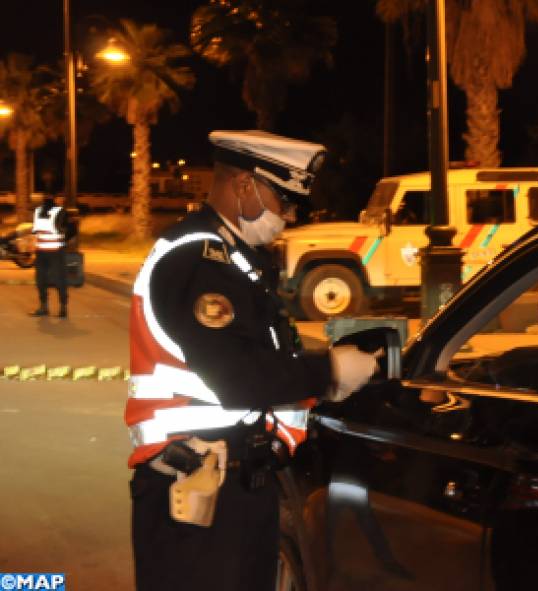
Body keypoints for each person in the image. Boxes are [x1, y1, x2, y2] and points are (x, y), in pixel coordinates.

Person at [125, 130, 379, 591]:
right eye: (284, 199)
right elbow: (238, 376)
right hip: (197, 493)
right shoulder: (198, 262)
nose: (290, 214)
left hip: (234, 485)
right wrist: (330, 372)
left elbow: (267, 362)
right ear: (245, 186)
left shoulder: (236, 262)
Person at [29, 194, 73, 317]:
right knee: (55, 279)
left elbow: (35, 232)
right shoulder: (59, 211)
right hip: (54, 251)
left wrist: (34, 247)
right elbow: (70, 230)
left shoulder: (40, 211)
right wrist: (64, 239)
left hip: (45, 251)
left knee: (42, 279)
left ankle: (47, 307)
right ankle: (60, 308)